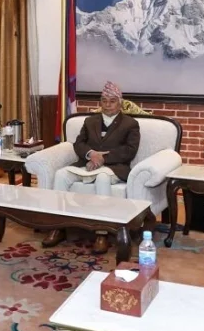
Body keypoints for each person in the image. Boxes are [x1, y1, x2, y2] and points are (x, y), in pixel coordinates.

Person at [44, 81, 140, 254]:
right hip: (86, 164)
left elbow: (129, 150)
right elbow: (79, 143)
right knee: (61, 174)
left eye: (112, 101)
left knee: (102, 178)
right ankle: (58, 227)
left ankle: (102, 233)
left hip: (114, 167)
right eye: (104, 101)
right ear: (100, 102)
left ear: (119, 103)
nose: (108, 105)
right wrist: (90, 154)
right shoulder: (90, 121)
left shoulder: (130, 124)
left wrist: (102, 158)